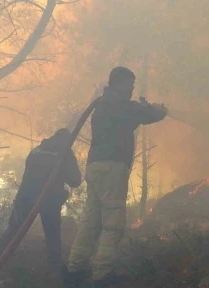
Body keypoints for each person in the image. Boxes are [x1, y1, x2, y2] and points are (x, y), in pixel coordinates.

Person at [66, 67, 167, 287]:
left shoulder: (102, 105)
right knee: (113, 224)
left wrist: (143, 109)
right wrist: (158, 109)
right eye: (129, 83)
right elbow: (152, 115)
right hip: (112, 170)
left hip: (95, 169)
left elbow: (132, 117)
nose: (132, 88)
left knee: (91, 221)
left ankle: (75, 268)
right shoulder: (123, 106)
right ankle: (102, 275)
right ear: (118, 83)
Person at [0, 128, 82, 285]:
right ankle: (58, 278)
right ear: (68, 141)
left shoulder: (36, 150)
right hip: (49, 200)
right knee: (53, 239)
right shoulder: (65, 152)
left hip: (24, 198)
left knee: (10, 235)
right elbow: (76, 181)